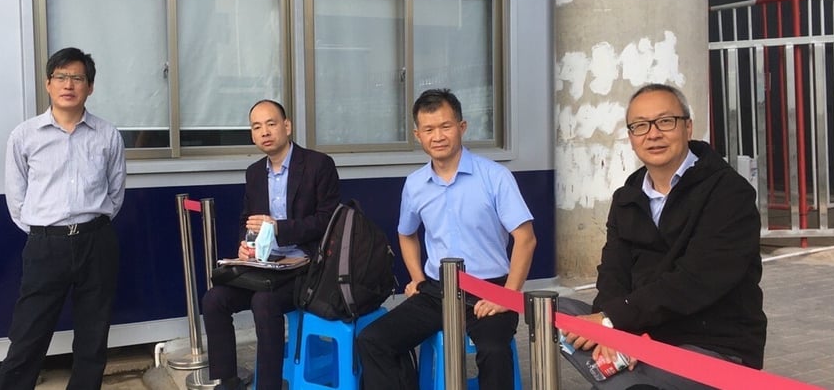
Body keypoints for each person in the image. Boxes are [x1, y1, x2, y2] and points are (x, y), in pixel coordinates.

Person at [558, 83, 767, 389]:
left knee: (617, 384)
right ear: (631, 138)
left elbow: (695, 281)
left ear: (688, 127)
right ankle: (627, 369)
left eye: (665, 122)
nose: (652, 134)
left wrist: (611, 321)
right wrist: (612, 331)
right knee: (556, 312)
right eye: (640, 126)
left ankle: (625, 376)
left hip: (709, 344)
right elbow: (614, 271)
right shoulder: (627, 196)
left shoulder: (729, 193)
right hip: (642, 329)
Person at [357, 88, 537, 389]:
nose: (437, 136)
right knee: (373, 340)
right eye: (428, 129)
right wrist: (417, 278)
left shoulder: (494, 176)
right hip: (437, 292)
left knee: (494, 352)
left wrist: (507, 295)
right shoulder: (415, 185)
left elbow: (526, 238)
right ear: (418, 135)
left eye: (445, 126)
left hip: (488, 290)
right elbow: (406, 234)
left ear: (461, 127)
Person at [0, 47, 127, 390]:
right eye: (61, 77)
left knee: (93, 337)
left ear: (90, 87)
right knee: (28, 335)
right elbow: (17, 197)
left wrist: (89, 224)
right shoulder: (25, 136)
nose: (69, 84)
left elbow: (115, 193)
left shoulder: (107, 135)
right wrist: (44, 231)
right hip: (45, 245)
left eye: (78, 78)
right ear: (48, 84)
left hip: (96, 242)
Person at [201, 99, 341, 390]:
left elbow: (328, 222)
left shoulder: (318, 165)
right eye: (256, 126)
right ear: (252, 135)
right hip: (266, 266)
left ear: (287, 126)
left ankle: (269, 385)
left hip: (306, 267)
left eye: (271, 123)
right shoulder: (254, 173)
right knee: (214, 299)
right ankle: (228, 381)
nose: (264, 131)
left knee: (263, 302)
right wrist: (245, 244)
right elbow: (246, 221)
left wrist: (279, 229)